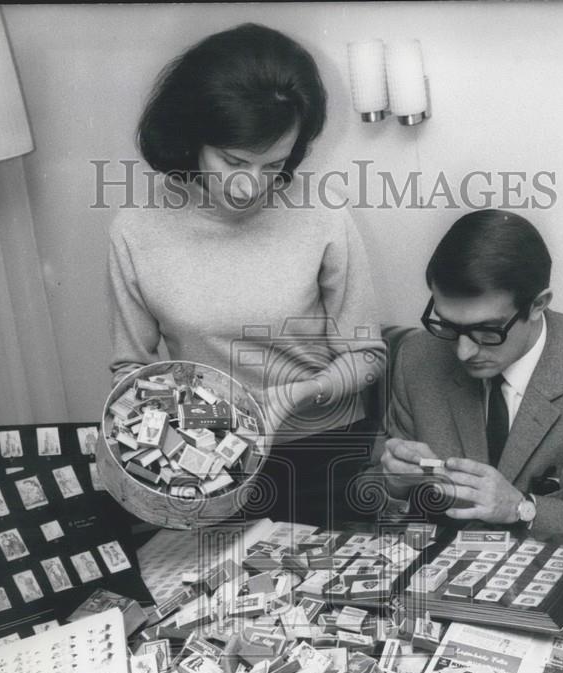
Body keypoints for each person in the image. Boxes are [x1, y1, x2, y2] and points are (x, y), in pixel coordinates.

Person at [108, 22, 384, 525]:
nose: (249, 187)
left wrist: (290, 398)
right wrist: (176, 433)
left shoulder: (323, 213)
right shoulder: (136, 229)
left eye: (274, 164)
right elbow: (132, 370)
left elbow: (366, 357)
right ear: (192, 138)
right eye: (233, 160)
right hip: (208, 461)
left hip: (324, 454)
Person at [378, 209, 563, 611]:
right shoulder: (417, 358)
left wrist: (523, 508)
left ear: (538, 305)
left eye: (487, 331)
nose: (463, 351)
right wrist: (393, 484)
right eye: (447, 325)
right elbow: (376, 501)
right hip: (440, 595)